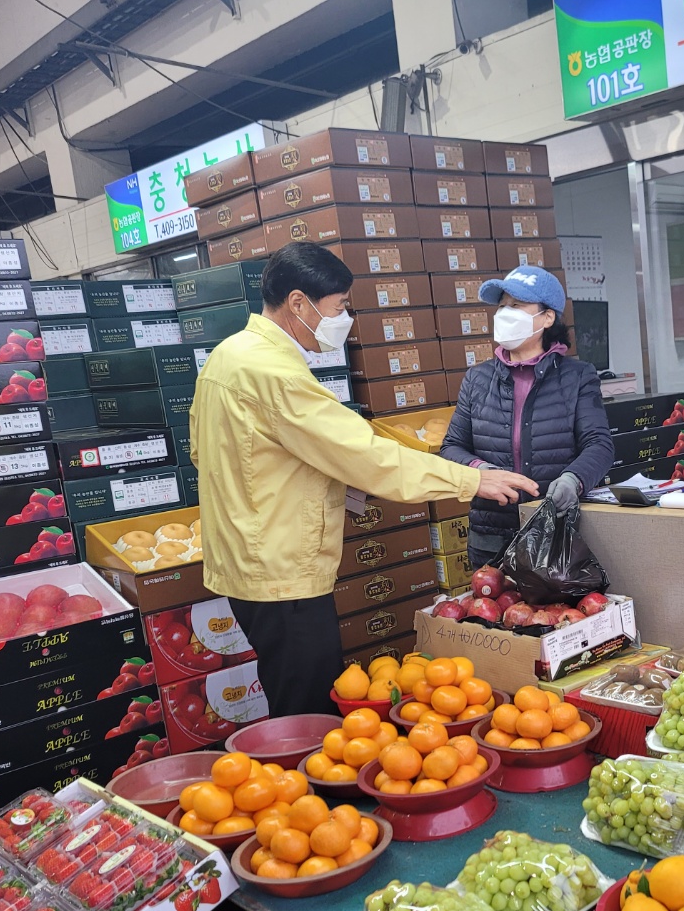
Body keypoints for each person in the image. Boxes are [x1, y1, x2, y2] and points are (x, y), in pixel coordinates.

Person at [190, 243, 537, 716]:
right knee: (307, 703)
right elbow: (365, 455)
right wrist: (470, 482)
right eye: (339, 308)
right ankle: (309, 789)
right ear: (298, 303)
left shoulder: (227, 357)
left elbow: (208, 452)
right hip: (281, 566)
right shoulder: (272, 372)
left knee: (287, 683)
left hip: (245, 555)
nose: (344, 319)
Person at [439, 266, 615, 569]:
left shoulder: (577, 377)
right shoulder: (477, 379)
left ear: (547, 318)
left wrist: (574, 479)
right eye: (502, 306)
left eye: (517, 306)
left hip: (555, 531)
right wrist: (482, 471)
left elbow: (599, 444)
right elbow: (452, 447)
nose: (506, 313)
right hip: (491, 536)